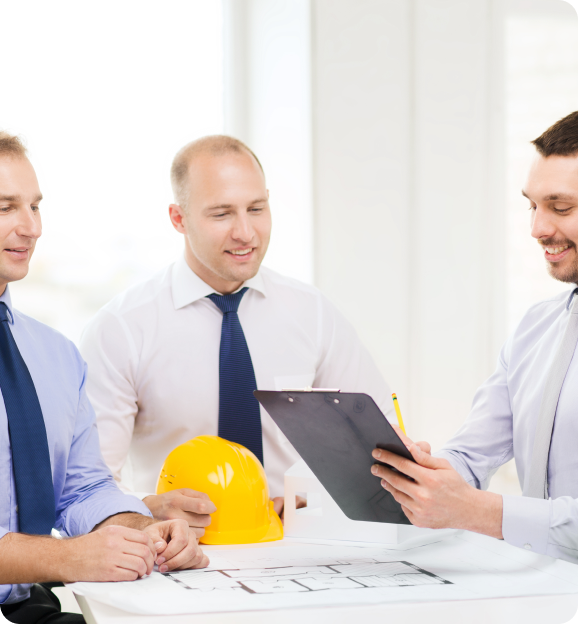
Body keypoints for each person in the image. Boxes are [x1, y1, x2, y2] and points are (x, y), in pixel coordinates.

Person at [79, 135, 393, 530]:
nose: (246, 232)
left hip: (297, 547)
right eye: (222, 214)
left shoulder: (312, 314)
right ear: (179, 218)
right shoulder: (121, 329)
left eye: (256, 209)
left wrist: (315, 499)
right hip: (175, 553)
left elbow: (379, 449)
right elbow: (88, 485)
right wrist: (149, 508)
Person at [0, 132, 208, 624]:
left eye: (35, 206)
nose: (31, 226)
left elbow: (83, 488)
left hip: (28, 608)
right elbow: (68, 552)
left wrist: (140, 527)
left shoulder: (55, 354)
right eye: (6, 207)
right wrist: (68, 557)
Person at [370, 111, 578, 564]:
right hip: (547, 594)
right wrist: (423, 476)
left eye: (561, 207)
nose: (538, 228)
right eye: (532, 205)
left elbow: (477, 507)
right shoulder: (534, 331)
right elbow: (469, 456)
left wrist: (479, 512)